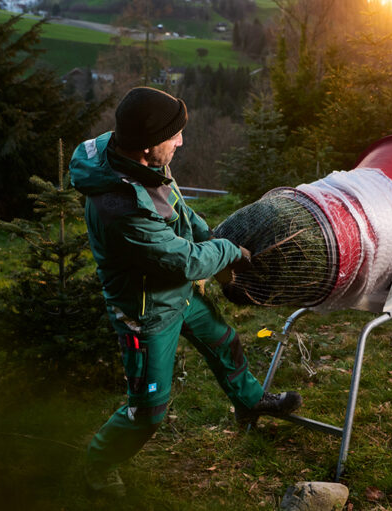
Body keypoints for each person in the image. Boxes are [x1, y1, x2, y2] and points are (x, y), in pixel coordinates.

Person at [69, 87, 302, 496]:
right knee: (149, 409)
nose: (181, 141)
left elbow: (175, 202)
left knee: (224, 340)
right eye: (173, 135)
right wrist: (229, 249)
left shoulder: (135, 158)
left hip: (176, 294)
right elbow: (187, 263)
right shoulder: (118, 207)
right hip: (147, 312)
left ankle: (250, 402)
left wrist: (205, 233)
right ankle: (100, 461)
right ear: (146, 146)